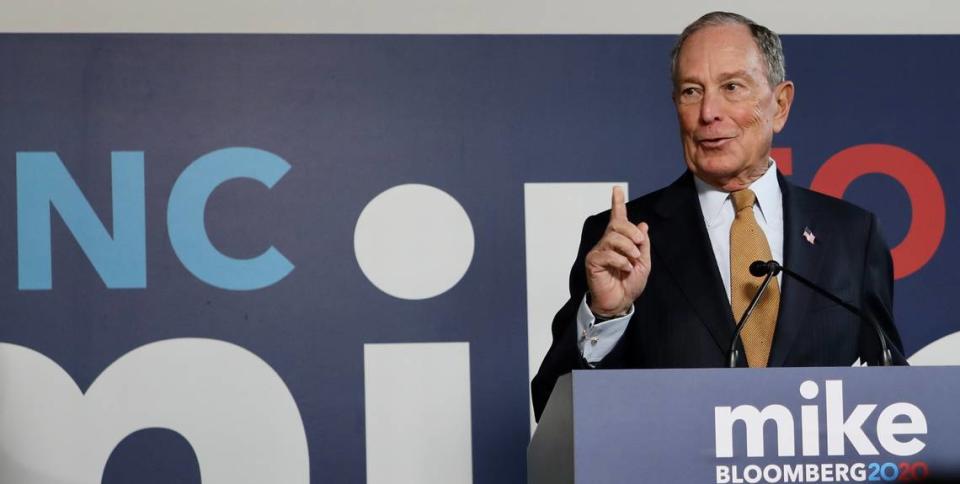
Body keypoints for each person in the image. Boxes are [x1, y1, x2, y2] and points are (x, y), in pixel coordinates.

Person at [531, 11, 905, 421]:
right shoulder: (622, 240)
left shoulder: (852, 234)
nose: (708, 112)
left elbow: (895, 401)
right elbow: (554, 413)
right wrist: (606, 316)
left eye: (732, 87)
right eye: (691, 91)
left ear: (780, 105)